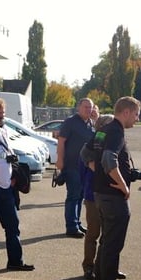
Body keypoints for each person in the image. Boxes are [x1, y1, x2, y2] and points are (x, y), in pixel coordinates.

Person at [89, 96, 141, 280]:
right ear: (126, 112)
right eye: (136, 114)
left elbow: (86, 152)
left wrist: (98, 171)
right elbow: (109, 159)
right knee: (112, 244)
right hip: (112, 197)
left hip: (100, 194)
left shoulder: (103, 130)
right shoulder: (116, 131)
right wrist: (122, 184)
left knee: (106, 242)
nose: (137, 119)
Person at [0, 98, 36, 272]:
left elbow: (6, 154)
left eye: (3, 113)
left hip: (7, 187)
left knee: (13, 226)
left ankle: (15, 261)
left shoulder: (3, 131)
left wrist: (12, 179)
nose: (2, 117)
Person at [79, 113, 117, 280]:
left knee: (111, 235)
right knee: (93, 233)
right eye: (110, 124)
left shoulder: (115, 141)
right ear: (102, 126)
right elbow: (84, 167)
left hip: (112, 195)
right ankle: (89, 267)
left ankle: (108, 268)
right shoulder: (95, 143)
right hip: (93, 196)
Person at [56, 98, 95, 237]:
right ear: (78, 107)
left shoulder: (91, 123)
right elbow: (61, 142)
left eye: (90, 107)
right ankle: (71, 227)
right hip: (72, 165)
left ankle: (77, 223)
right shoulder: (70, 122)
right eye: (85, 107)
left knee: (80, 196)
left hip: (86, 167)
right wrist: (59, 160)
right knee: (73, 196)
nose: (88, 110)